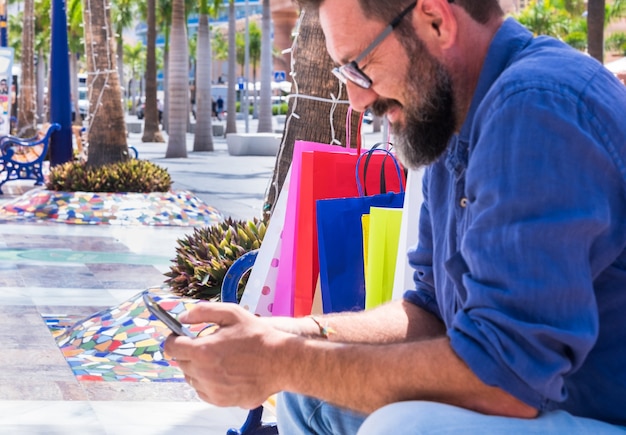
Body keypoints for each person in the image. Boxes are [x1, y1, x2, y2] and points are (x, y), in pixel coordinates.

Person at [164, 0, 626, 433]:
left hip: (591, 410)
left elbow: (505, 380)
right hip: (547, 400)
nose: (356, 100)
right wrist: (289, 333)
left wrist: (282, 360)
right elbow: (430, 311)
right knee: (307, 397)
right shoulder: (456, 113)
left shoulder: (537, 108)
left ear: (435, 20)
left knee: (402, 428)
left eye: (358, 67)